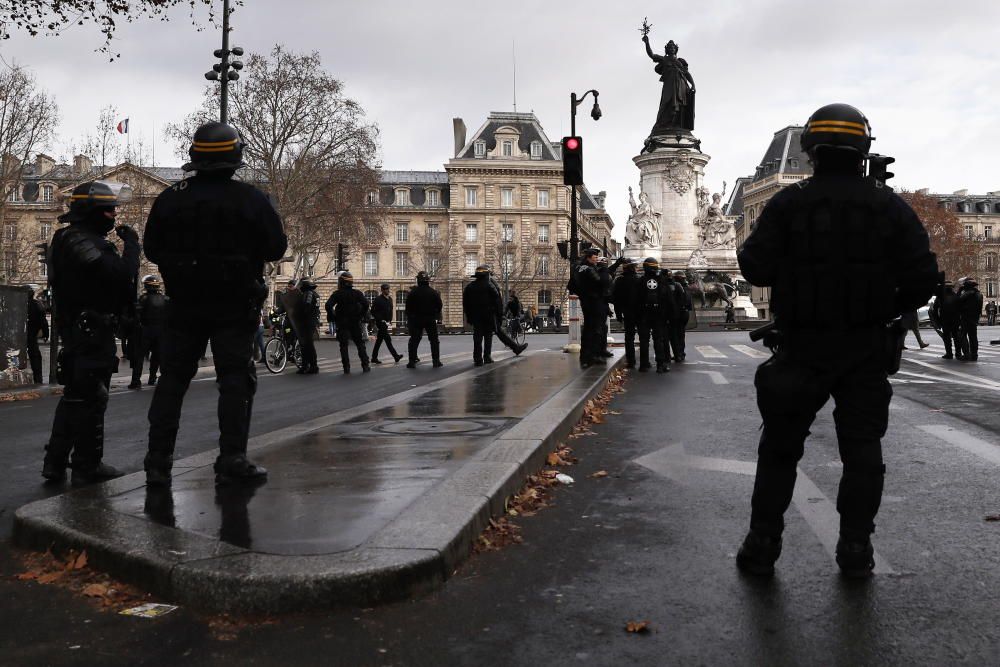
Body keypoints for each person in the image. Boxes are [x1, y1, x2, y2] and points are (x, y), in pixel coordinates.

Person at [735, 103, 938, 578]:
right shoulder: (889, 206)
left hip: (802, 345)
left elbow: (756, 267)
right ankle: (855, 547)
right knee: (863, 450)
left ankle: (763, 543)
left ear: (810, 150)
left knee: (780, 449)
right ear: (863, 148)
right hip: (865, 346)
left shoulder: (789, 203)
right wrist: (885, 306)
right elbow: (923, 277)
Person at [143, 121, 287, 487]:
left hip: (185, 303)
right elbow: (276, 248)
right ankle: (232, 457)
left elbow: (152, 249)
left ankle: (158, 461)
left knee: (172, 380)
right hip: (234, 304)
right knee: (235, 381)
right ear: (234, 158)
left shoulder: (170, 197)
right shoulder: (251, 199)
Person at [42, 180, 140, 485]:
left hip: (82, 330)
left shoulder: (70, 238)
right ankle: (87, 464)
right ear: (90, 211)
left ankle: (55, 462)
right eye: (107, 209)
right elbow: (119, 277)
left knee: (76, 397)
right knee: (92, 398)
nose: (113, 214)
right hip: (89, 332)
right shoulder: (79, 240)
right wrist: (133, 248)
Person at [325, 271, 370, 374]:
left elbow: (328, 305)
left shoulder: (337, 294)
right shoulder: (357, 293)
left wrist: (334, 317)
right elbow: (366, 304)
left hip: (342, 322)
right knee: (360, 344)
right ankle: (365, 365)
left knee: (343, 346)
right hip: (354, 322)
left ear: (341, 282)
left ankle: (346, 367)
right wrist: (360, 315)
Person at [635, 257, 674, 373]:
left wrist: (637, 315)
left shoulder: (640, 281)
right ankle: (660, 365)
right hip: (659, 315)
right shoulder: (662, 281)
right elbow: (669, 300)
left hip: (644, 315)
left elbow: (635, 300)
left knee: (644, 340)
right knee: (659, 339)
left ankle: (643, 364)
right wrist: (669, 316)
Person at [128, 274, 168, 389]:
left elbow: (137, 315)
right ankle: (152, 377)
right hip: (160, 331)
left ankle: (136, 380)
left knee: (139, 356)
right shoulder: (165, 299)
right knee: (157, 356)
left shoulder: (143, 299)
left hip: (146, 330)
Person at [464, 265, 503, 366]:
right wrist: (499, 315)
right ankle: (487, 356)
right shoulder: (490, 286)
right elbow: (497, 301)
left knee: (477, 337)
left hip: (476, 316)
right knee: (488, 336)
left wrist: (469, 316)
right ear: (487, 275)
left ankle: (477, 358)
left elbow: (466, 304)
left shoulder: (469, 287)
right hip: (488, 315)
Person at [575, 248, 605, 368]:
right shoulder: (590, 269)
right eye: (595, 257)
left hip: (585, 300)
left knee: (588, 328)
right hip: (593, 301)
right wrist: (603, 270)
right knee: (594, 329)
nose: (597, 259)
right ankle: (592, 356)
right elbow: (600, 282)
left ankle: (585, 356)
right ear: (588, 258)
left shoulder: (579, 268)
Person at [406, 271, 443, 368]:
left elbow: (408, 308)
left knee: (414, 340)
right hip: (430, 318)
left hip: (416, 319)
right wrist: (435, 314)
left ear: (418, 280)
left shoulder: (413, 293)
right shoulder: (433, 292)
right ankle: (436, 361)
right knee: (434, 340)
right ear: (428, 280)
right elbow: (439, 305)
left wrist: (411, 318)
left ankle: (411, 361)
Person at [612, 258, 640, 368]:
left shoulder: (619, 280)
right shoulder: (639, 279)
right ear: (634, 268)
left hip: (627, 312)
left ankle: (631, 361)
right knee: (643, 336)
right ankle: (644, 361)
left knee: (629, 337)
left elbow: (616, 299)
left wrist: (618, 314)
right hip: (640, 312)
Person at [370, 283, 403, 364]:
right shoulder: (378, 299)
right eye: (385, 289)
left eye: (388, 288)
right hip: (381, 323)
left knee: (379, 341)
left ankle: (374, 358)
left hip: (387, 323)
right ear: (382, 290)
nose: (387, 290)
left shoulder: (390, 299)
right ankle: (396, 356)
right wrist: (380, 319)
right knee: (388, 340)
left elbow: (391, 310)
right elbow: (372, 311)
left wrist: (390, 320)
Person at [26, 288, 49, 383]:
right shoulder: (37, 305)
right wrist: (46, 334)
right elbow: (43, 321)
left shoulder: (21, 305)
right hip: (32, 334)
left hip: (24, 334)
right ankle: (38, 379)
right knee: (35, 357)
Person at [957, 278, 983, 361]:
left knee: (962, 335)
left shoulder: (967, 294)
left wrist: (959, 291)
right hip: (974, 318)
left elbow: (958, 301)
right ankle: (974, 354)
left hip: (966, 317)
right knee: (973, 337)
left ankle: (966, 354)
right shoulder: (979, 294)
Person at [669, 271, 692, 361]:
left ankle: (678, 354)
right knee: (681, 334)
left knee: (675, 335)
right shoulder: (686, 287)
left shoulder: (677, 287)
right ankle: (681, 353)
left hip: (678, 314)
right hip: (685, 314)